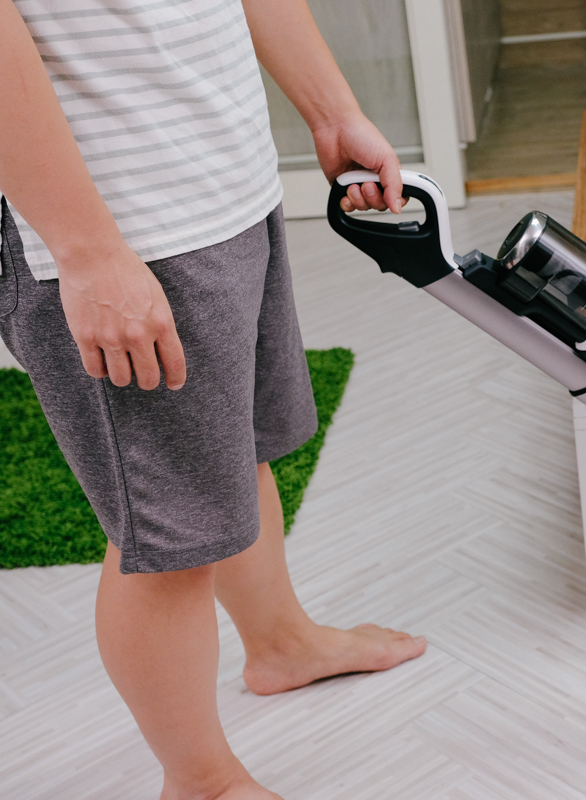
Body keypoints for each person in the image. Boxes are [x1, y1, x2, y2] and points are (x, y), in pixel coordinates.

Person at [0, 0, 424, 797]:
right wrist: (87, 251)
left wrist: (331, 111)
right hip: (115, 224)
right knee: (169, 537)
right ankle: (201, 783)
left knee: (242, 451)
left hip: (220, 179)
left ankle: (281, 642)